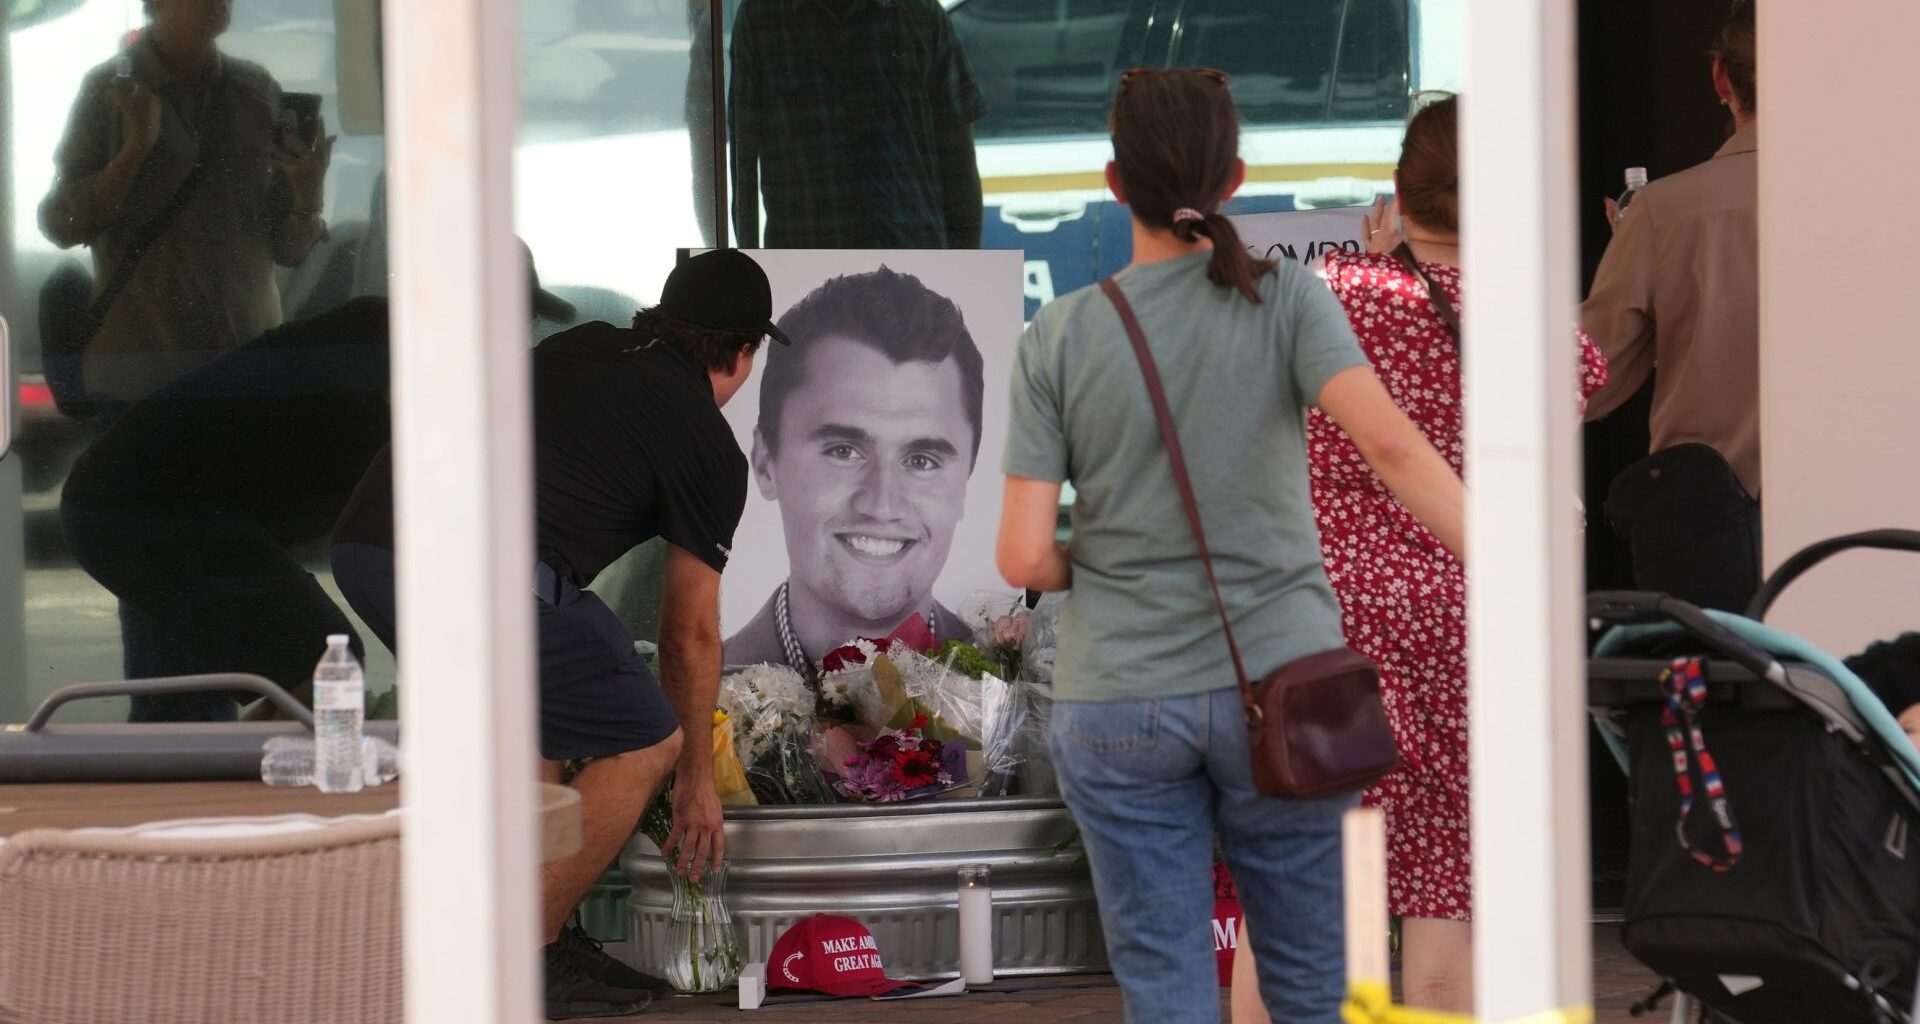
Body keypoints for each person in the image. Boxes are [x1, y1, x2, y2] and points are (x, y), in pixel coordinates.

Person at [996, 68, 1466, 1024]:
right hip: (1283, 689)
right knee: (1308, 982)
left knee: (1165, 981)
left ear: (1113, 183)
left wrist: (1103, 554)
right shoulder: (1288, 300)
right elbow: (1388, 446)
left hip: (1118, 698)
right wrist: (1517, 564)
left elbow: (1022, 560)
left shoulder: (1059, 335)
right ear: (1237, 177)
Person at [329, 249, 786, 1020]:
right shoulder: (707, 445)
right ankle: (513, 961)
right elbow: (689, 636)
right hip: (471, 567)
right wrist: (694, 780)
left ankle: (544, 937)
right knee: (644, 735)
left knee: (538, 720)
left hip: (370, 543)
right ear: (745, 353)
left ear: (661, 319)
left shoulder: (582, 346)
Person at [1293, 95, 1608, 1014]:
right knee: (1444, 880)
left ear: (1400, 190)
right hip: (1474, 616)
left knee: (1330, 861)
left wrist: (1374, 259)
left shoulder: (1334, 298)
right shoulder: (1538, 328)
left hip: (1332, 614)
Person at [57, 256, 576, 723]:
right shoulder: (389, 337)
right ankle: (244, 809)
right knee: (331, 665)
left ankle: (202, 811)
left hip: (150, 506)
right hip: (142, 508)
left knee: (186, 709)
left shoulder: (400, 348)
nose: (515, 338)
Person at [39, 0, 332, 408]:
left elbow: (287, 249)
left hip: (246, 368)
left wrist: (308, 192)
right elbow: (60, 224)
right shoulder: (110, 89)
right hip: (142, 377)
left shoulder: (257, 89)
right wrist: (133, 151)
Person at [1581, 0, 1758, 612]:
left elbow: (1586, 378)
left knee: (1721, 704)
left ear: (1721, 79)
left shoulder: (1662, 211)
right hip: (1865, 512)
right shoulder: (1885, 201)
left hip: (1706, 535)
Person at [723, 267, 983, 672]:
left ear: (966, 478)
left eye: (921, 461)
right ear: (764, 462)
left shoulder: (1009, 688)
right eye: (844, 450)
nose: (881, 505)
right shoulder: (699, 692)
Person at [728, 0, 984, 248]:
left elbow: (959, 163)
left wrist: (962, 271)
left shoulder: (921, 13)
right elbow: (743, 165)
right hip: (810, 267)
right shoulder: (760, 18)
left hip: (901, 264)